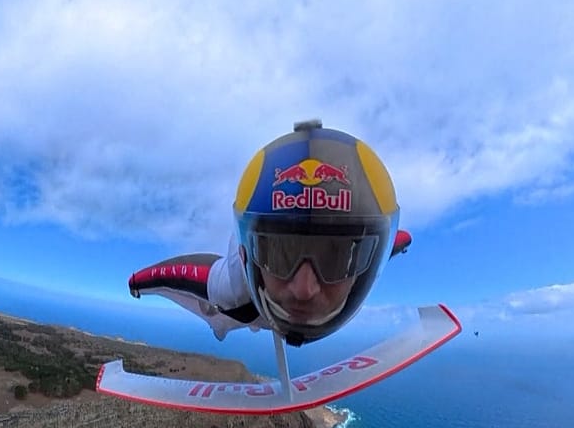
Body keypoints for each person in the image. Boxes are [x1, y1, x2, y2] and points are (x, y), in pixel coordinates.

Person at [128, 119, 410, 347]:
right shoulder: (234, 289)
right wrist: (138, 283)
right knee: (226, 316)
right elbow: (180, 275)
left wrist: (138, 283)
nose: (304, 289)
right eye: (279, 254)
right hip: (245, 307)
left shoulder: (372, 258)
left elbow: (389, 246)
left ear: (370, 263)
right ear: (247, 253)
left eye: (337, 257)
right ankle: (222, 325)